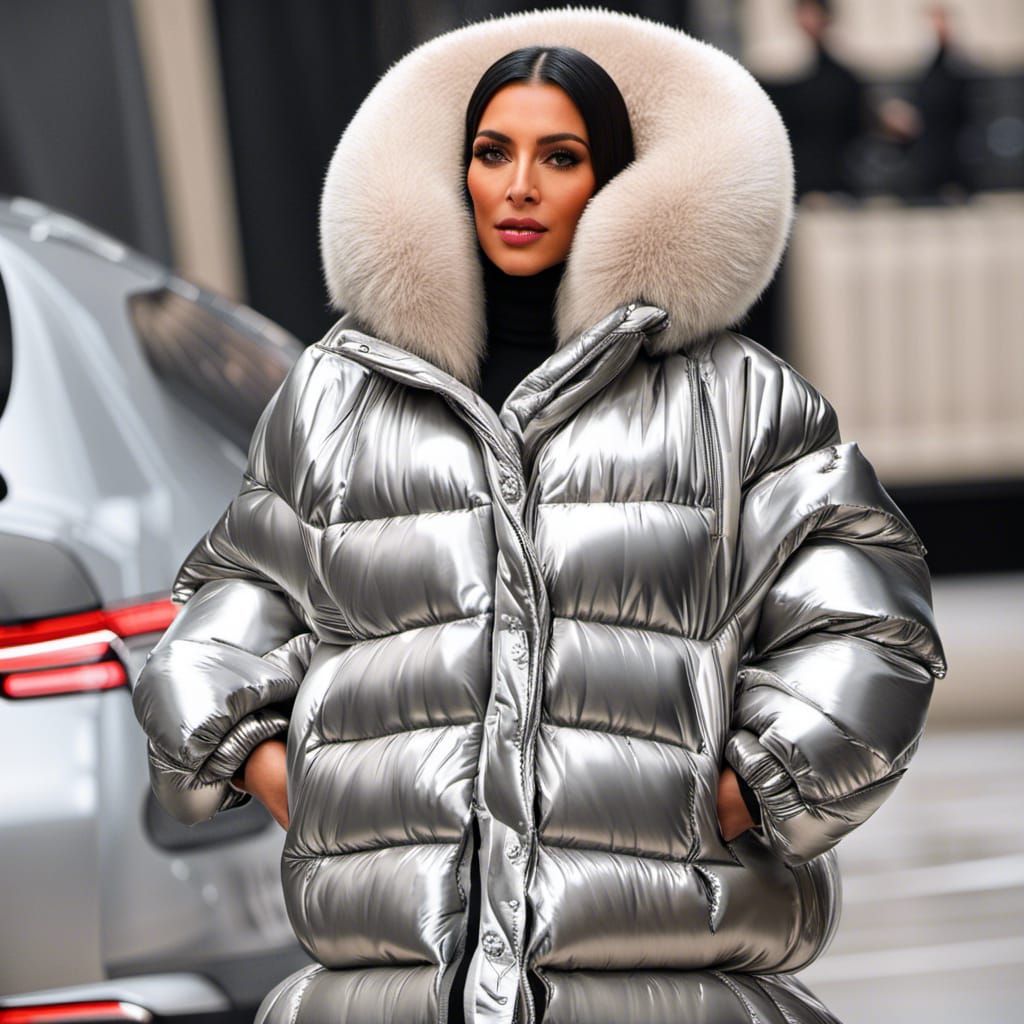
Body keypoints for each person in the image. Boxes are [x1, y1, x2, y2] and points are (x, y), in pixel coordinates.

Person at [132, 9, 946, 1024]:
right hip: (391, 986)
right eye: (491, 152)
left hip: (664, 983)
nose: (518, 186)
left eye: (559, 156)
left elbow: (869, 626)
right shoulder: (338, 396)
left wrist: (737, 793)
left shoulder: (735, 400)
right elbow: (228, 606)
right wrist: (287, 777)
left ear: (616, 182)